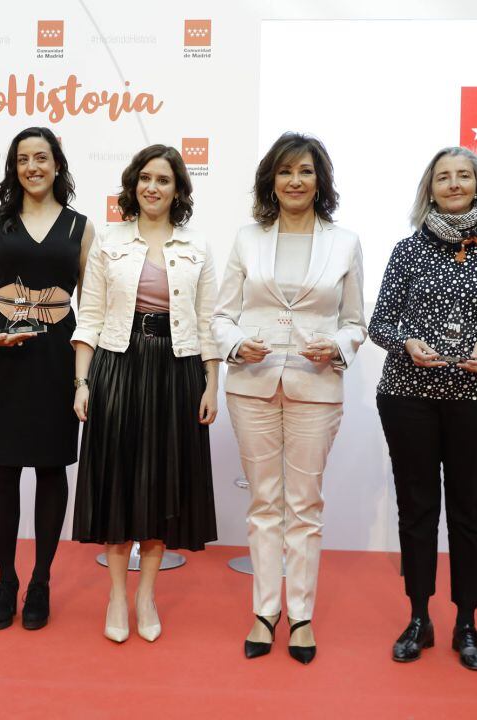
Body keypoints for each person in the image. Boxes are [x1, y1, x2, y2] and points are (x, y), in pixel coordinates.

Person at [369, 146, 477, 671]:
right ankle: (418, 617)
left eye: (464, 176)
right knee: (416, 509)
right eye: (444, 177)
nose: (455, 184)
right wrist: (408, 341)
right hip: (408, 396)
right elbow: (381, 324)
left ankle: (466, 621)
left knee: (469, 512)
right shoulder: (407, 250)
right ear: (429, 188)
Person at [211, 132, 367, 664]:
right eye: (285, 172)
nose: (295, 181)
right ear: (270, 181)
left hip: (315, 386)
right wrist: (235, 344)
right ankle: (264, 611)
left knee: (305, 505)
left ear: (319, 179)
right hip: (252, 386)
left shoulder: (344, 242)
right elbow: (221, 316)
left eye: (305, 171)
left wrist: (338, 346)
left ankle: (300, 615)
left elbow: (355, 322)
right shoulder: (246, 238)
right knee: (263, 504)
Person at [72, 145, 220, 644]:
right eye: (145, 179)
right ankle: (117, 594)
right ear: (133, 186)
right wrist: (82, 381)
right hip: (117, 363)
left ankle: (146, 595)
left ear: (178, 189)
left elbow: (208, 322)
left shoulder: (197, 247)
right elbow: (89, 315)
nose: (153, 187)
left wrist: (211, 385)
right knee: (117, 483)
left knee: (161, 486)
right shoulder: (108, 241)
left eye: (164, 179)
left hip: (177, 370)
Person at [0, 127, 93, 631]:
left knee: (50, 469)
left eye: (42, 157)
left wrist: (85, 368)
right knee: (1, 471)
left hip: (56, 359)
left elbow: (92, 305)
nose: (33, 167)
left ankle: (40, 579)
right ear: (13, 168)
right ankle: (5, 581)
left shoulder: (80, 227)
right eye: (23, 159)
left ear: (57, 164)